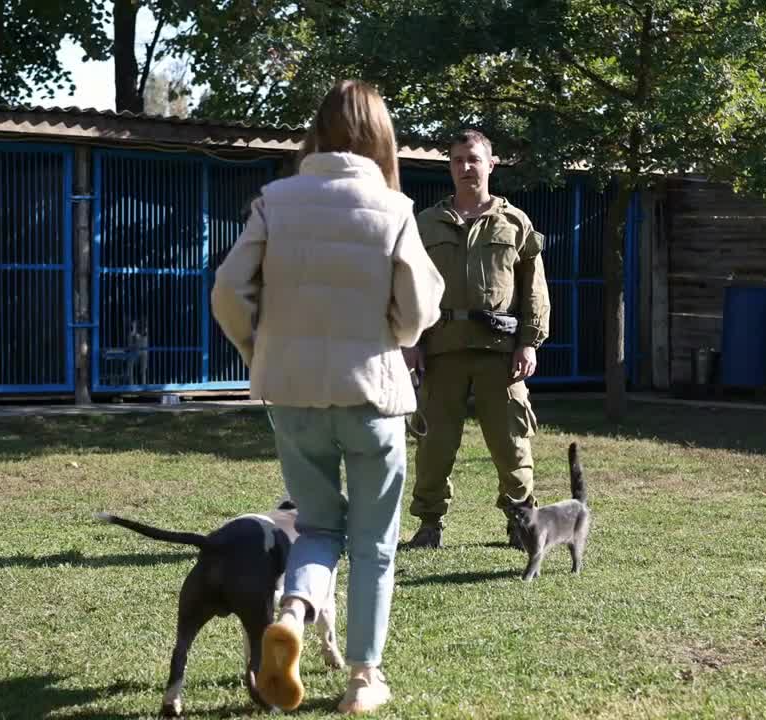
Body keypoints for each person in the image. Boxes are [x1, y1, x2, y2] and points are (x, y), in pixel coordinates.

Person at [211, 80, 444, 714]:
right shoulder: (393, 208)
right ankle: (364, 678)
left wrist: (257, 349)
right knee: (373, 544)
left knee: (316, 525)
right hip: (370, 392)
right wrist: (395, 333)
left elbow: (229, 290)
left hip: (291, 395)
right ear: (380, 136)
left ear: (317, 129)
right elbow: (421, 309)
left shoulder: (274, 200)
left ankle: (292, 610)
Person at [402, 129, 551, 550]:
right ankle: (429, 525)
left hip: (499, 353)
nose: (466, 167)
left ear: (491, 164)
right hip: (441, 350)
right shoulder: (426, 223)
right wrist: (409, 340)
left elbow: (533, 288)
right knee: (434, 444)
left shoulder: (515, 222)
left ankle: (521, 522)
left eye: (473, 159)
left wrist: (529, 342)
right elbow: (407, 285)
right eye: (457, 160)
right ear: (449, 166)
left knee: (511, 442)